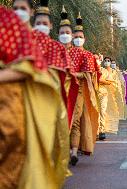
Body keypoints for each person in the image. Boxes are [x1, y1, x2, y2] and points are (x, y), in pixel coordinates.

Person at [0, 4, 68, 189]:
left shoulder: (10, 24)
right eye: (16, 7)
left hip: (34, 98)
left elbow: (35, 70)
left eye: (23, 7)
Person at [68, 11, 100, 166]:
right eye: (76, 37)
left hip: (78, 90)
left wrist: (74, 74)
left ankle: (73, 151)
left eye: (80, 37)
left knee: (74, 120)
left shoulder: (87, 55)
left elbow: (87, 75)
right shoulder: (64, 51)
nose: (78, 39)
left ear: (84, 39)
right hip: (62, 90)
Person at [98, 57, 120, 136]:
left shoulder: (106, 71)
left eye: (108, 61)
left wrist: (101, 81)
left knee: (102, 111)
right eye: (105, 61)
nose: (106, 62)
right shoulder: (90, 69)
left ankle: (102, 131)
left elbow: (111, 82)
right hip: (92, 93)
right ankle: (95, 130)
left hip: (104, 93)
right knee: (95, 113)